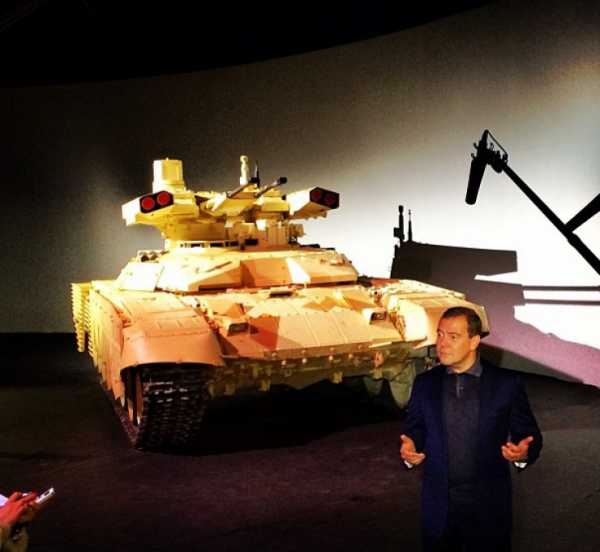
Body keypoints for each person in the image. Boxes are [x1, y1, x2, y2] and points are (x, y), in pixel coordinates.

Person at [400, 306, 542, 552]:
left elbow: (529, 435)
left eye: (453, 337)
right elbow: (415, 428)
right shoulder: (425, 383)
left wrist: (523, 453)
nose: (442, 344)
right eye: (440, 334)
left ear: (474, 341)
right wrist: (410, 446)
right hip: (439, 510)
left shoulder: (506, 384)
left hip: (488, 510)